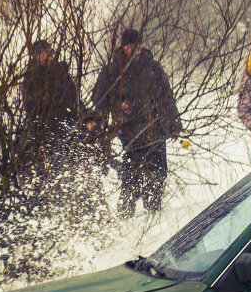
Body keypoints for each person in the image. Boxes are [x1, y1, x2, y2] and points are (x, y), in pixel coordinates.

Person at [91, 28, 181, 217]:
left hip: (154, 127)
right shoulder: (113, 70)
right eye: (127, 45)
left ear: (140, 46)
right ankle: (126, 214)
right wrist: (117, 105)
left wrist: (174, 123)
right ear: (123, 47)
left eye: (134, 45)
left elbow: (166, 95)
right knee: (130, 174)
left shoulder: (153, 68)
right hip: (129, 131)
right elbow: (99, 98)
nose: (131, 49)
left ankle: (154, 212)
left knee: (158, 172)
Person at [22, 39, 79, 139]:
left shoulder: (61, 72)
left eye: (45, 52)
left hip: (63, 120)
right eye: (38, 53)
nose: (43, 56)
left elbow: (72, 95)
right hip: (42, 124)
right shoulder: (31, 76)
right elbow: (29, 103)